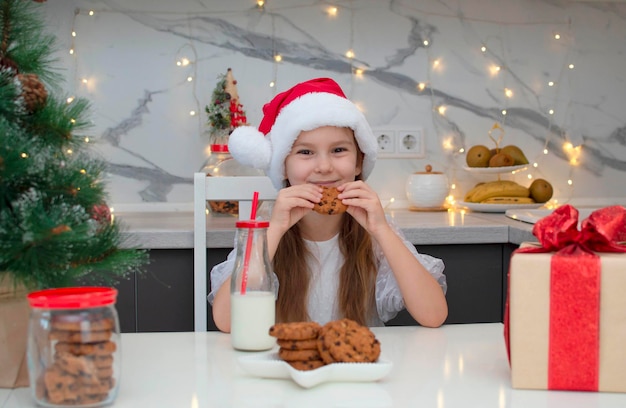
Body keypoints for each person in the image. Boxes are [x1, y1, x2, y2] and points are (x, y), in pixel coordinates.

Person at [209, 77, 447, 331]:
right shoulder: (264, 227)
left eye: (338, 150)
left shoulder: (374, 228)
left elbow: (433, 315)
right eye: (305, 152)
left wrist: (382, 231)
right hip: (282, 363)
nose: (324, 167)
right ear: (283, 167)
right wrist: (275, 230)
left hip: (356, 366)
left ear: (358, 162)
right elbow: (226, 321)